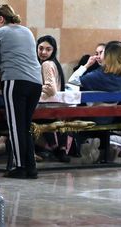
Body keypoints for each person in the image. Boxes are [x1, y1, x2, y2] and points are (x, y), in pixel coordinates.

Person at [0, 4, 42, 179]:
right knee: (25, 126)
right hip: (35, 83)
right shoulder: (27, 31)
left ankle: (20, 167)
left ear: (1, 19)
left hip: (15, 81)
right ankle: (31, 167)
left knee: (15, 126)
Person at [36, 35, 70, 163]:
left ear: (53, 50)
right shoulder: (55, 64)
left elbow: (51, 89)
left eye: (48, 49)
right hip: (58, 110)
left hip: (48, 109)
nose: (43, 52)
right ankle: (60, 149)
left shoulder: (46, 64)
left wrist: (35, 90)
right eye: (40, 48)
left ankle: (53, 148)